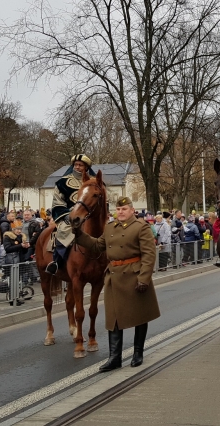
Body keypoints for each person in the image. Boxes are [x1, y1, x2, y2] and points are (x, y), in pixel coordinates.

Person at [74, 197, 160, 371]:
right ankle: (115, 358)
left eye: (124, 209)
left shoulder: (141, 227)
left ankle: (137, 353)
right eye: (118, 209)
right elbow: (98, 245)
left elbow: (149, 255)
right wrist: (79, 234)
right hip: (114, 276)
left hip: (133, 276)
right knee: (113, 319)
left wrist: (144, 278)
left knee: (139, 316)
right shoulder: (110, 227)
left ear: (132, 210)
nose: (120, 212)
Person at [46, 154, 95, 275]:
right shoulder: (62, 183)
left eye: (80, 165)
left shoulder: (95, 183)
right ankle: (56, 262)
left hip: (91, 217)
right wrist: (67, 216)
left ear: (87, 167)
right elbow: (57, 203)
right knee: (63, 232)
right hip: (70, 218)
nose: (77, 167)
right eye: (75, 165)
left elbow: (104, 201)